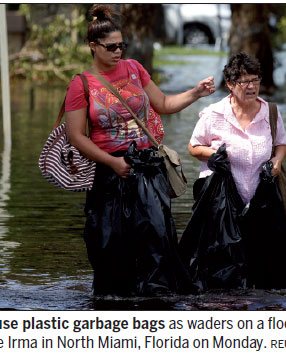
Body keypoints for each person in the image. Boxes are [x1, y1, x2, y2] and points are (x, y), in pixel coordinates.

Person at [65, 4, 215, 297]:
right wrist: (112, 163)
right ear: (93, 47)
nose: (118, 51)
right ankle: (115, 300)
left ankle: (156, 298)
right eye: (111, 47)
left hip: (147, 166)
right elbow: (75, 136)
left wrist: (195, 93)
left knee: (157, 237)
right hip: (110, 172)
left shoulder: (134, 69)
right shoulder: (81, 84)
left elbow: (163, 104)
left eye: (122, 45)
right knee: (110, 241)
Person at [179, 52, 286, 291]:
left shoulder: (270, 112)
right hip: (222, 200)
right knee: (223, 261)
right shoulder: (214, 114)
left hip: (259, 196)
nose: (252, 86)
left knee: (266, 261)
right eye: (245, 82)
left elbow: (281, 143)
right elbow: (193, 147)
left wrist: (276, 161)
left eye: (255, 80)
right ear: (231, 85)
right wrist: (214, 155)